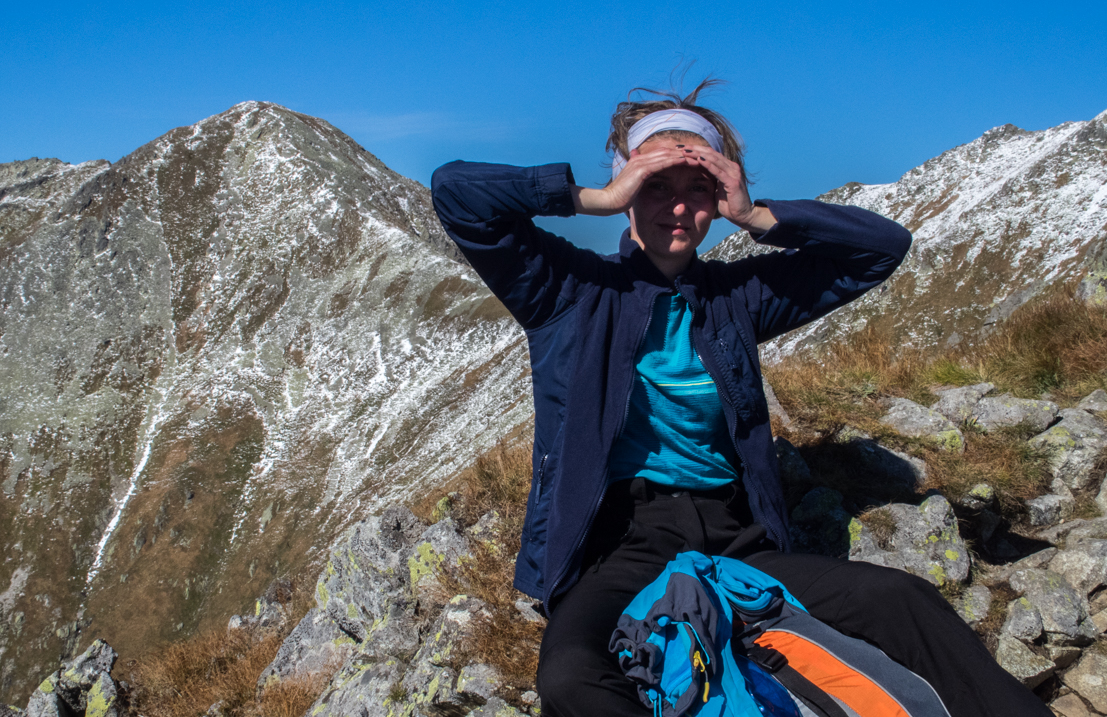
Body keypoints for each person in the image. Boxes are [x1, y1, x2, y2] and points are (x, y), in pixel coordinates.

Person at [430, 80, 1049, 717]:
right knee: (568, 678)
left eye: (697, 188)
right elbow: (455, 192)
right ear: (629, 190)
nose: (677, 208)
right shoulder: (570, 293)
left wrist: (754, 216)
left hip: (737, 536)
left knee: (904, 600)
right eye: (656, 185)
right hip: (617, 544)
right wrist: (591, 196)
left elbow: (880, 249)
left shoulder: (737, 297)